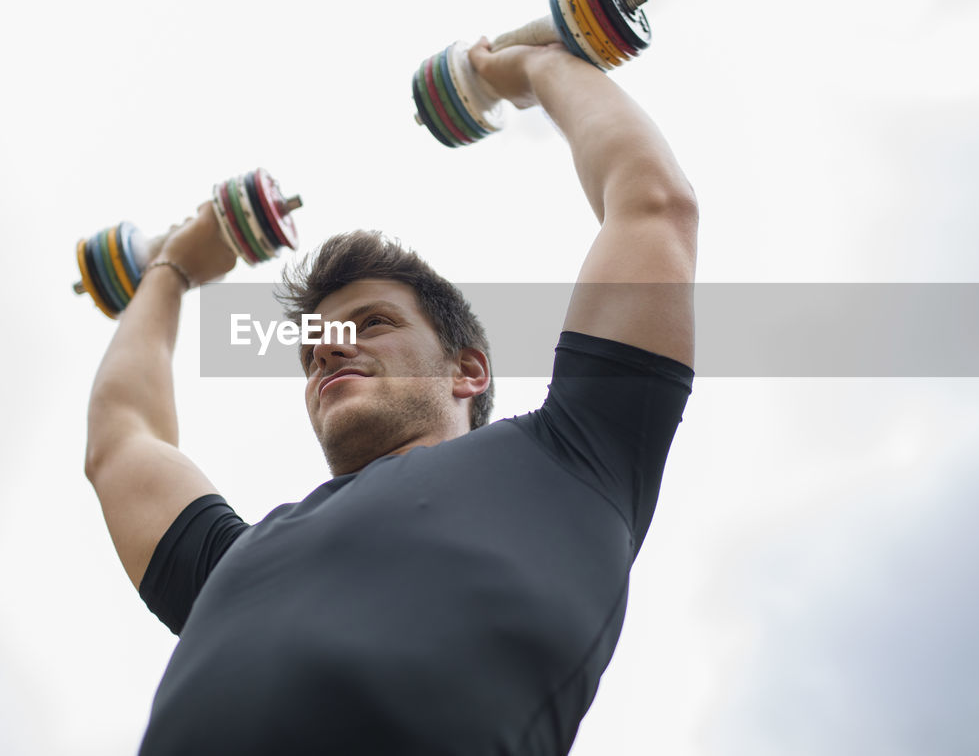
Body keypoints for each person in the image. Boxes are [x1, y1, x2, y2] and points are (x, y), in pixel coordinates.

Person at [84, 37, 698, 755]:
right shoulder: (233, 563)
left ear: (468, 370)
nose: (330, 351)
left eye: (371, 324)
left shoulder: (577, 458)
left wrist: (527, 65)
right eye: (313, 351)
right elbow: (122, 438)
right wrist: (173, 267)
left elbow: (653, 206)